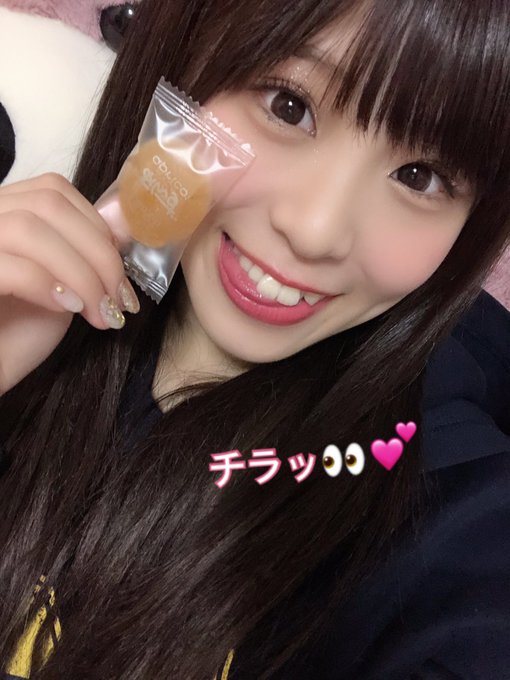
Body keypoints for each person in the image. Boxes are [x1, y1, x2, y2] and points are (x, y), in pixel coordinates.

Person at [0, 0, 509, 678]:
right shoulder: (22, 281)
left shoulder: (450, 511)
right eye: (288, 106)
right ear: (184, 57)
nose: (316, 230)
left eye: (421, 177)